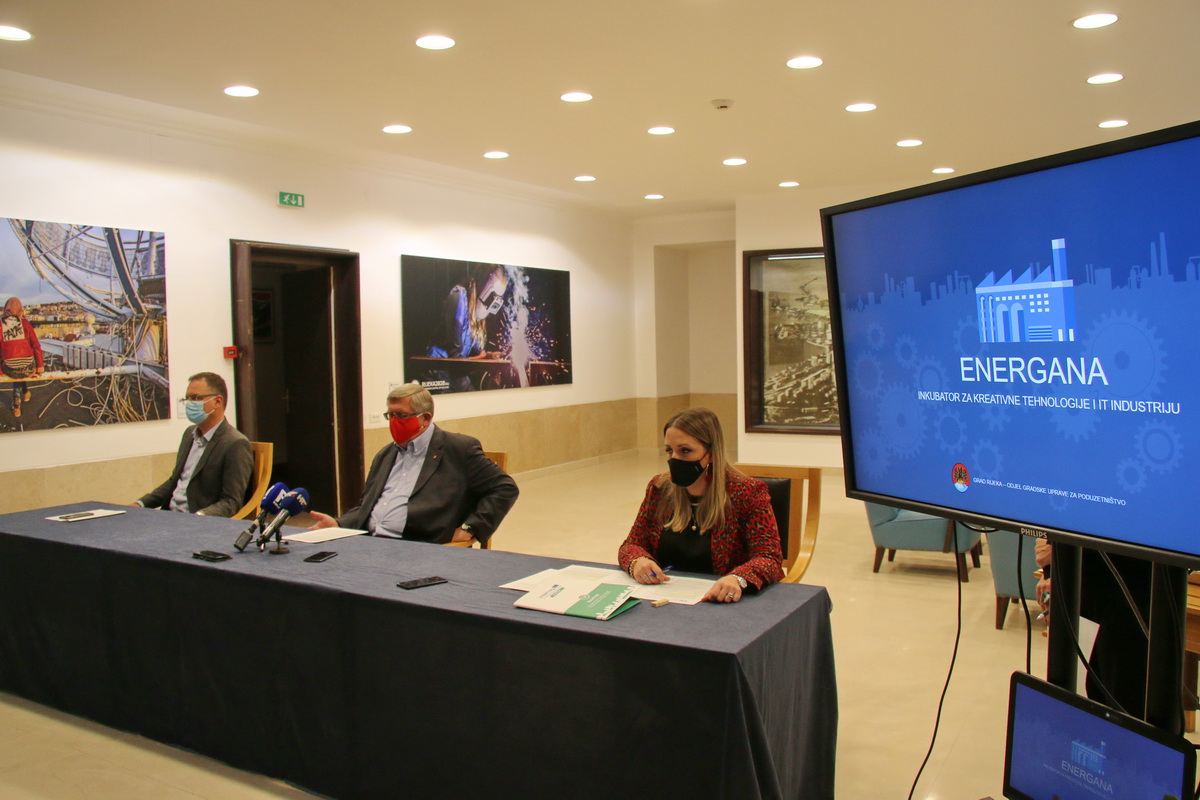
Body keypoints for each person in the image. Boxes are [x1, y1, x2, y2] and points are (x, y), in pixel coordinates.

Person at [308, 382, 518, 543]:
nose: (393, 422)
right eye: (390, 415)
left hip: (420, 546)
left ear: (425, 418)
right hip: (370, 543)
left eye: (400, 415)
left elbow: (504, 487)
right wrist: (339, 523)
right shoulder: (386, 455)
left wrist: (470, 528)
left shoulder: (459, 449)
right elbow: (366, 506)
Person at [618, 407, 784, 603]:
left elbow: (769, 558)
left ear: (711, 453)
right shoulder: (660, 488)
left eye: (685, 451)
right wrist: (638, 561)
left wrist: (738, 578)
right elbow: (632, 545)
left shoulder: (747, 492)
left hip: (720, 600)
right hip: (664, 597)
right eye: (669, 451)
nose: (674, 459)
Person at [135, 372, 254, 517]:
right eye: (188, 398)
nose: (190, 403)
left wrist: (199, 517)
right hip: (170, 516)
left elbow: (231, 502)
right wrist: (140, 503)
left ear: (218, 401)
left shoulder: (235, 443)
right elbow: (174, 481)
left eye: (196, 398)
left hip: (197, 522)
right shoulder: (189, 434)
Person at [1, 296, 44, 419]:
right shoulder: (25, 323)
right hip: (28, 367)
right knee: (21, 367)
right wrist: (40, 366)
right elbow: (36, 345)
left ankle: (17, 406)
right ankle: (25, 394)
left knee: (15, 368)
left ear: (5, 310)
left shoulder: (1, 324)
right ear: (21, 312)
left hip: (10, 368)